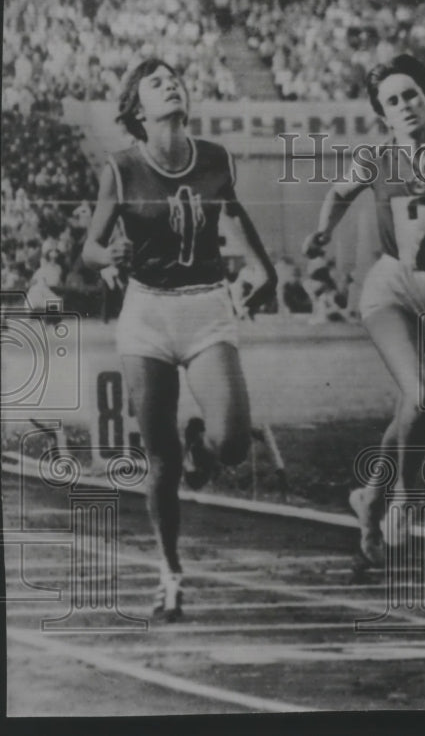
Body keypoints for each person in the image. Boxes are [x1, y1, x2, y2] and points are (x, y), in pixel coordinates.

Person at [82, 58, 276, 621]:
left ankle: (204, 447)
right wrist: (106, 256)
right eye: (155, 81)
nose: (171, 84)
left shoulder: (215, 158)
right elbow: (90, 249)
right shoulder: (120, 168)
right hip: (146, 314)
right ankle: (170, 574)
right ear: (138, 109)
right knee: (159, 455)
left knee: (233, 442)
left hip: (207, 305)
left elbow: (233, 211)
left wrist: (264, 268)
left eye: (175, 78)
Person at [303, 54, 425, 569]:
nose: (405, 106)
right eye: (392, 101)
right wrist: (324, 233)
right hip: (391, 285)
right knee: (423, 389)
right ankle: (405, 498)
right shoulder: (376, 157)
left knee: (418, 408)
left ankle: (371, 494)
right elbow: (339, 192)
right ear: (383, 116)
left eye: (412, 94)